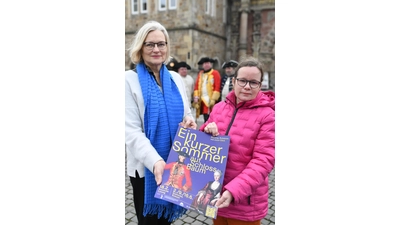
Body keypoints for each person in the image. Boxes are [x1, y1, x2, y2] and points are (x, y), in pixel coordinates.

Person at [125, 20, 197, 225]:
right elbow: (130, 131)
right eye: (150, 44)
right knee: (149, 221)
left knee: (165, 221)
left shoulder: (175, 78)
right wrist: (155, 161)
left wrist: (190, 120)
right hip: (147, 167)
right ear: (141, 47)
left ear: (167, 47)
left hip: (176, 162)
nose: (156, 49)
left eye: (161, 44)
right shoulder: (128, 80)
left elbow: (186, 112)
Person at [201, 56, 275, 225]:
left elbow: (264, 160)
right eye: (242, 81)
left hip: (245, 201)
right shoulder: (219, 108)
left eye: (253, 82)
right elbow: (204, 140)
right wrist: (205, 130)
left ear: (260, 85)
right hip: (215, 194)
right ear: (233, 81)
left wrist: (233, 191)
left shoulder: (268, 115)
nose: (247, 86)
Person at [192, 57, 221, 123]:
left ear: (210, 64)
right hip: (202, 99)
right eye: (205, 63)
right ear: (203, 65)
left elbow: (217, 87)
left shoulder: (215, 73)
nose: (206, 65)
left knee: (211, 116)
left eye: (208, 63)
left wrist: (214, 99)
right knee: (205, 116)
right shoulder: (201, 73)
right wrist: (196, 97)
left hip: (210, 99)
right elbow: (196, 86)